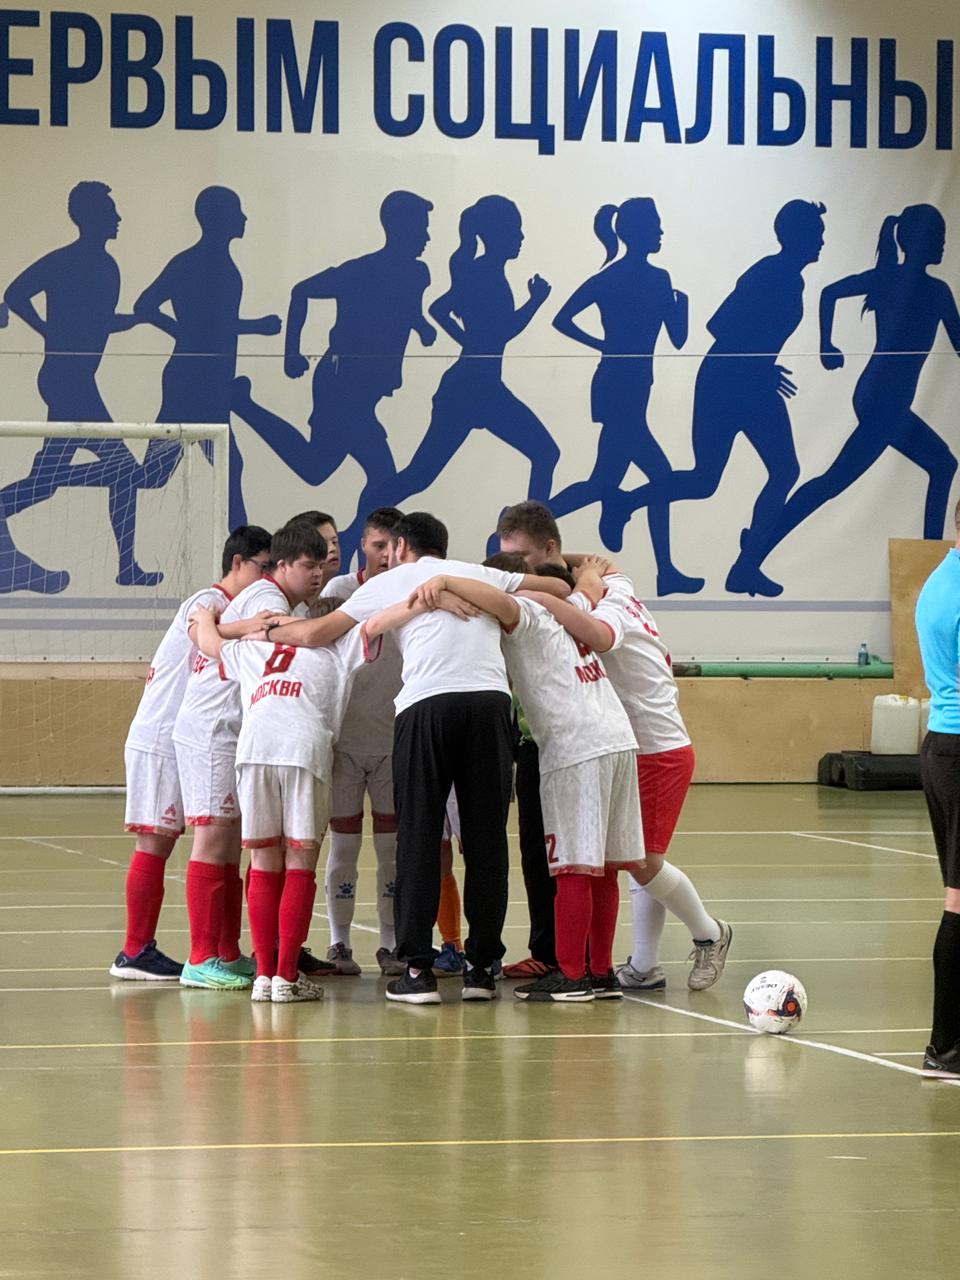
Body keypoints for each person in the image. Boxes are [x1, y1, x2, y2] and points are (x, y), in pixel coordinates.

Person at [257, 511, 568, 1003]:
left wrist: (265, 631)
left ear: (401, 547)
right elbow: (559, 587)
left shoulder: (391, 581)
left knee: (419, 836)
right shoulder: (476, 573)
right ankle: (482, 969)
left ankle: (418, 970)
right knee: (487, 839)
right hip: (490, 703)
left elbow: (318, 634)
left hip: (427, 704)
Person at [410, 570, 644, 1001]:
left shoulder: (531, 612)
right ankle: (601, 971)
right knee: (604, 866)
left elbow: (504, 601)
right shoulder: (571, 613)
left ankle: (571, 974)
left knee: (573, 865)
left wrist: (445, 581)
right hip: (618, 738)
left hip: (575, 746)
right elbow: (587, 587)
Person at [191, 592, 422, 1003]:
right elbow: (378, 622)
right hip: (303, 748)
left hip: (254, 749)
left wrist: (204, 617)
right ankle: (286, 977)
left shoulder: (256, 648)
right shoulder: (339, 647)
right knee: (299, 862)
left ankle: (263, 976)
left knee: (264, 860)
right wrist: (423, 596)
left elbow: (208, 644)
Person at [599, 200, 827, 597]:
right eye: (817, 234)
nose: (822, 241)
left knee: (783, 470)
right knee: (708, 479)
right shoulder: (770, 274)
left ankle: (745, 566)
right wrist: (761, 365)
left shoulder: (792, 279)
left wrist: (762, 367)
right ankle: (625, 504)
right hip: (726, 382)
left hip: (751, 383)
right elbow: (720, 324)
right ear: (798, 235)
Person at [730, 203, 960, 595]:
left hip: (883, 397)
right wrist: (825, 344)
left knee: (941, 464)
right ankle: (750, 558)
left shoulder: (917, 286)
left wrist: (828, 342)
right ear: (916, 240)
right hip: (882, 399)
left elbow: (832, 294)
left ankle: (756, 545)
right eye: (937, 236)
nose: (943, 243)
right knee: (833, 482)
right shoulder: (926, 289)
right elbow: (830, 293)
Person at [539, 557, 733, 991]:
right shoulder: (618, 584)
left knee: (643, 861)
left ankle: (710, 933)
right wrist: (577, 567)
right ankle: (645, 966)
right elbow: (596, 562)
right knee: (626, 857)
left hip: (657, 749)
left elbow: (599, 634)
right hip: (626, 748)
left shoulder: (608, 607)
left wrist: (560, 588)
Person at [109, 526, 273, 981]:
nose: (266, 577)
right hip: (162, 737)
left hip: (190, 739)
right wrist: (253, 626)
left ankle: (223, 950)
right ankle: (135, 950)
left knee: (221, 840)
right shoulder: (208, 599)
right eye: (262, 567)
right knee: (157, 841)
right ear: (238, 562)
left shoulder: (232, 607)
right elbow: (205, 632)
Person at [231, 190, 435, 554]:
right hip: (341, 385)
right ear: (400, 228)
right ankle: (352, 545)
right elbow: (302, 291)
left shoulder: (418, 274)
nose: (427, 237)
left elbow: (403, 309)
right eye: (422, 228)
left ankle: (352, 545)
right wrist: (291, 353)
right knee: (349, 474)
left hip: (364, 393)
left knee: (346, 472)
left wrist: (422, 327)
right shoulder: (360, 271)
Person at [172, 522, 330, 990]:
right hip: (216, 724)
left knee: (232, 842)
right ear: (281, 566)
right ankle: (201, 956)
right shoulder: (269, 600)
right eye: (309, 565)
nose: (318, 575)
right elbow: (220, 643)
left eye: (322, 565)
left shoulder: (272, 600)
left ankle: (226, 951)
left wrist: (213, 625)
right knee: (213, 838)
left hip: (238, 728)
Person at [359, 196, 560, 518]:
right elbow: (500, 331)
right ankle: (365, 519)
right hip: (471, 390)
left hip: (479, 387)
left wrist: (468, 341)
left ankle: (527, 534)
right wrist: (535, 301)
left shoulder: (482, 271)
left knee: (544, 453)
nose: (521, 237)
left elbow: (440, 308)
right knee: (421, 475)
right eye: (516, 230)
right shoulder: (485, 275)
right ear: (499, 233)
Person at [1, 181, 152, 591]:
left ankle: (127, 567)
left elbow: (98, 322)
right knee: (124, 470)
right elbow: (15, 293)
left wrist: (140, 320)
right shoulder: (65, 260)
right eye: (110, 211)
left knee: (46, 482)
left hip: (78, 380)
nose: (118, 218)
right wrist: (46, 330)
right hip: (67, 382)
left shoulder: (107, 267)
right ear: (91, 217)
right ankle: (127, 567)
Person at [550, 198, 698, 595]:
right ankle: (665, 569)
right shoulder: (637, 278)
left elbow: (677, 338)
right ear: (638, 230)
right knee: (657, 478)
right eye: (656, 225)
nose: (661, 231)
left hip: (627, 384)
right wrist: (603, 343)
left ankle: (526, 518)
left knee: (603, 482)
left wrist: (680, 307)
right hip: (620, 387)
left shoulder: (630, 278)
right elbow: (562, 318)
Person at [134, 186, 282, 527]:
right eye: (237, 211)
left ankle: (247, 548)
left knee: (226, 467)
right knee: (158, 475)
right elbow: (147, 306)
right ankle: (248, 549)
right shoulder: (193, 262)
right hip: (192, 382)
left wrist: (186, 332)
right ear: (220, 219)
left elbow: (209, 324)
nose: (244, 218)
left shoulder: (222, 266)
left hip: (212, 382)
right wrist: (255, 326)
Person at [318, 508, 405, 976]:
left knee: (391, 851)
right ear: (363, 547)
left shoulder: (413, 591)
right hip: (345, 743)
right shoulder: (338, 591)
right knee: (345, 848)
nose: (386, 554)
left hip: (393, 741)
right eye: (377, 546)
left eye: (393, 546)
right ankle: (339, 942)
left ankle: (390, 944)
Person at [915, 502, 960, 1078]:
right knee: (959, 900)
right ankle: (946, 1049)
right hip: (957, 749)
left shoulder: (940, 578)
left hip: (945, 746)